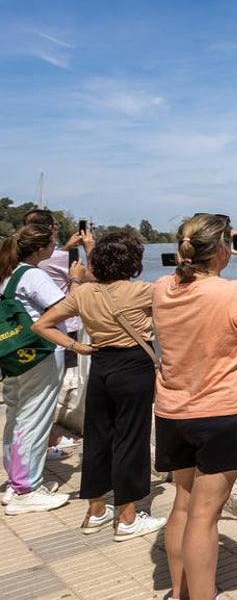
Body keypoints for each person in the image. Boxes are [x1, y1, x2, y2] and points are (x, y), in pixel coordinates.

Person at [152, 213, 237, 600]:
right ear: (222, 248)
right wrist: (223, 260)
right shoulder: (235, 293)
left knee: (184, 505)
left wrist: (217, 253)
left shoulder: (160, 288)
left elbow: (184, 269)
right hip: (223, 413)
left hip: (174, 411)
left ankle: (179, 591)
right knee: (205, 517)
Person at [33, 231, 166, 540]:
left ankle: (95, 511)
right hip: (133, 366)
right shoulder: (144, 292)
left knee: (97, 438)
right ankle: (128, 518)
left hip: (100, 365)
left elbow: (41, 324)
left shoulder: (83, 293)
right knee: (130, 440)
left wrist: (74, 345)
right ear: (133, 262)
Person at [1, 224, 73, 514]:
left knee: (17, 415)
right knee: (34, 417)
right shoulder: (33, 275)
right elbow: (63, 307)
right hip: (40, 352)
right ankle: (26, 489)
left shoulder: (7, 271)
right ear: (42, 248)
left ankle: (16, 482)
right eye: (53, 244)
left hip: (13, 353)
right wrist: (76, 281)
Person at [22, 209, 90, 458]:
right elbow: (93, 283)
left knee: (27, 403)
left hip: (21, 343)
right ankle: (28, 477)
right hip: (50, 340)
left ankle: (37, 450)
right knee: (41, 400)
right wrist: (76, 276)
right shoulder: (43, 270)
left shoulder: (14, 266)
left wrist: (66, 247)